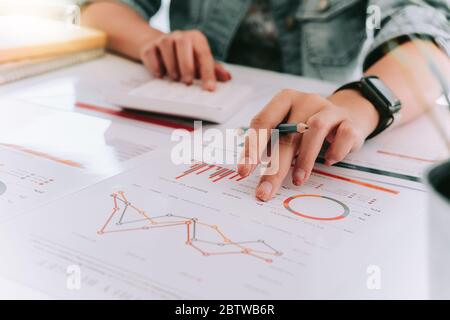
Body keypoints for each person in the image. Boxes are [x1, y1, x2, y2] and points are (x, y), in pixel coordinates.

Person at [82, 0, 450, 201]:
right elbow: (99, 7)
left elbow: (429, 36)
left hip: (322, 122)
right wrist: (150, 41)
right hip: (185, 124)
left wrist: (360, 102)